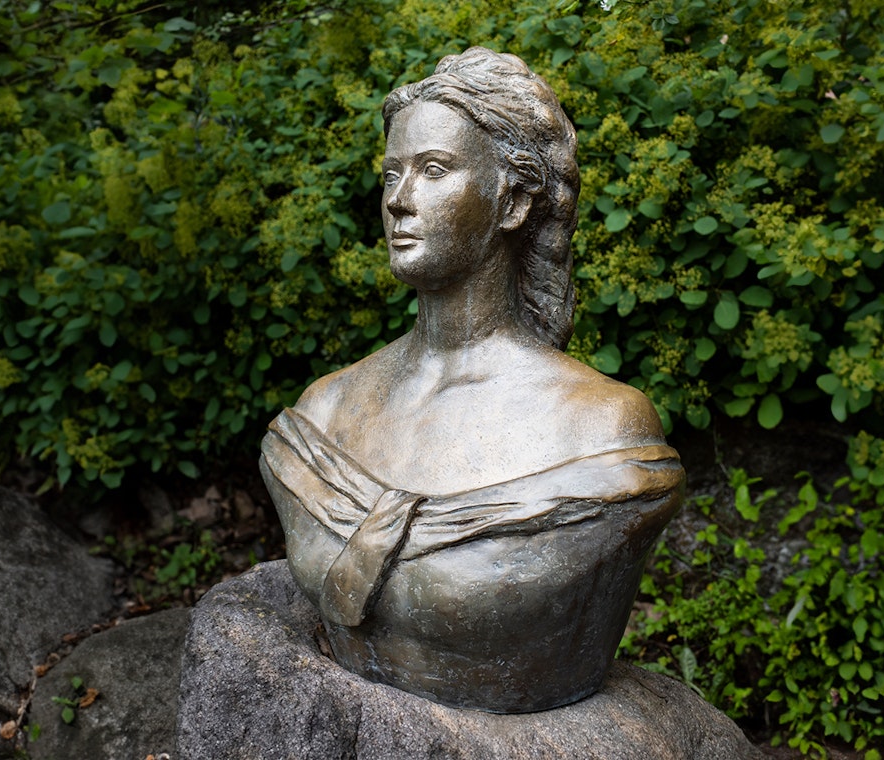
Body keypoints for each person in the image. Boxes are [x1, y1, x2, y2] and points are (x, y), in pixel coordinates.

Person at [260, 47, 683, 713]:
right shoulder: (327, 411)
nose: (398, 201)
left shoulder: (600, 428)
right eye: (390, 174)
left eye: (434, 171)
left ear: (512, 201)